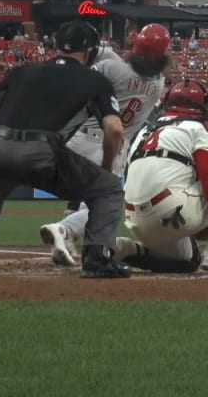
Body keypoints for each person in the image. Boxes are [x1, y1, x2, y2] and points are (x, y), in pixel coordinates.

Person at [0, 20, 131, 278]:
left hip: (1, 146)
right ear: (90, 52)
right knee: (109, 189)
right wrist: (105, 168)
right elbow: (115, 130)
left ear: (55, 46)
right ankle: (97, 260)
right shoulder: (95, 80)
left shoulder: (22, 71)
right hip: (45, 151)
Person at [39, 23, 171, 266]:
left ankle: (65, 243)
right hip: (114, 143)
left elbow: (83, 62)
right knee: (105, 201)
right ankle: (64, 230)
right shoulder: (158, 84)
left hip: (81, 138)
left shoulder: (111, 66)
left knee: (83, 195)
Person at [112, 80, 208, 275]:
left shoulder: (145, 130)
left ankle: (122, 248)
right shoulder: (200, 128)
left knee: (187, 261)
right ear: (203, 104)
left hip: (135, 219)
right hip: (171, 212)